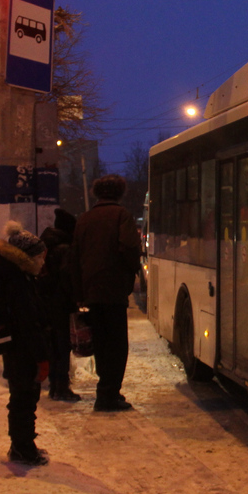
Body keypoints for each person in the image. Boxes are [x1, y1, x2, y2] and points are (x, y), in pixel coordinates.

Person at [70, 174, 140, 412]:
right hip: (114, 292)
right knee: (117, 344)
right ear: (119, 193)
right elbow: (130, 249)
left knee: (100, 342)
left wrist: (80, 291)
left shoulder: (85, 219)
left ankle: (104, 391)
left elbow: (75, 257)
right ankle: (110, 394)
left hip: (91, 292)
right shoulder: (122, 216)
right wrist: (130, 275)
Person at [0, 222, 53, 464]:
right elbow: (29, 326)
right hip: (23, 352)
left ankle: (23, 444)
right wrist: (41, 357)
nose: (43, 262)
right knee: (24, 399)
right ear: (26, 257)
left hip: (17, 350)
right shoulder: (18, 283)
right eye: (39, 257)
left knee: (23, 398)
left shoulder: (14, 276)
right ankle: (22, 447)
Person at [39, 208, 81, 402]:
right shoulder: (64, 249)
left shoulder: (45, 245)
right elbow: (67, 279)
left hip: (45, 303)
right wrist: (75, 299)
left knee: (53, 346)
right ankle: (62, 387)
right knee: (62, 346)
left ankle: (54, 386)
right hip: (60, 304)